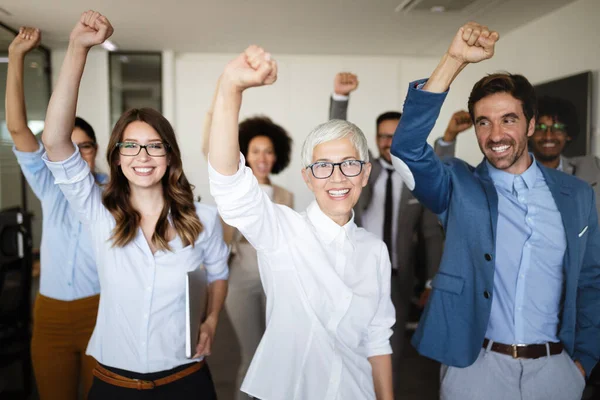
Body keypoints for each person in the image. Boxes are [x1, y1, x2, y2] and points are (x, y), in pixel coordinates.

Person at [391, 22, 600, 400]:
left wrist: (584, 360)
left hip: (557, 370)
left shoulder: (577, 194)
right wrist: (453, 61)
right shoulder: (458, 185)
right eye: (483, 122)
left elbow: (591, 282)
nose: (495, 135)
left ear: (531, 124)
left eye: (509, 119)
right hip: (476, 369)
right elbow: (407, 149)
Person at [40, 11, 229, 399]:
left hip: (186, 384)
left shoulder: (203, 218)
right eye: (131, 145)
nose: (142, 155)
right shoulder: (98, 213)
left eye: (154, 145)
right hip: (115, 386)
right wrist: (77, 49)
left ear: (170, 154)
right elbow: (57, 140)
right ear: (118, 156)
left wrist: (210, 319)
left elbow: (218, 273)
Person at [208, 46, 394, 400]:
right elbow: (229, 184)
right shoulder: (283, 231)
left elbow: (377, 339)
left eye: (350, 164)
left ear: (365, 173)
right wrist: (231, 87)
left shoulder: (374, 251)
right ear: (308, 178)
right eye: (323, 166)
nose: (337, 178)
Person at [5, 26, 107, 400]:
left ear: (97, 150)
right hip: (49, 315)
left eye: (86, 146)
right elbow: (17, 129)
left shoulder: (116, 192)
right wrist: (16, 57)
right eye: (69, 146)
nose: (77, 154)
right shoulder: (51, 185)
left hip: (100, 312)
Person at [329, 72, 444, 395]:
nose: (387, 142)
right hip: (354, 270)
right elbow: (337, 137)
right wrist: (341, 98)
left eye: (394, 135)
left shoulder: (414, 175)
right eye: (382, 136)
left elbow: (430, 233)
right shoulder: (361, 168)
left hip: (398, 273)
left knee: (390, 345)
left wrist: (431, 279)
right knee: (348, 339)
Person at [202, 81, 294, 400]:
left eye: (268, 151)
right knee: (253, 351)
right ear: (245, 153)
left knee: (276, 353)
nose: (263, 157)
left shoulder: (286, 195)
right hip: (240, 278)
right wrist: (220, 101)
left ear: (276, 155)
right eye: (255, 150)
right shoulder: (236, 187)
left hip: (275, 281)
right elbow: (210, 147)